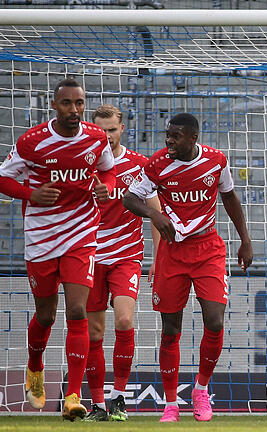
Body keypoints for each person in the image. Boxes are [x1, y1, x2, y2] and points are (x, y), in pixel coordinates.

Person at [123, 113, 252, 423]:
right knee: (171, 330)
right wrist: (155, 216)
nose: (169, 140)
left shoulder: (215, 162)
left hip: (208, 249)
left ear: (193, 138)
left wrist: (245, 240)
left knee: (215, 321)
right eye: (168, 135)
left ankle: (201, 390)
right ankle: (170, 404)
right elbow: (130, 198)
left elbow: (230, 198)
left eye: (176, 136)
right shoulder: (157, 165)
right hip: (172, 252)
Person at [0, 78, 116, 420]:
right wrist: (30, 194)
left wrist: (105, 189)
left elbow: (108, 172)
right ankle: (35, 366)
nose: (74, 110)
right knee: (47, 315)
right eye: (67, 103)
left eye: (79, 103)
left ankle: (73, 395)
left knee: (77, 311)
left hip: (81, 232)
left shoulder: (95, 137)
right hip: (41, 236)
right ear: (54, 105)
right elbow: (3, 177)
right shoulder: (33, 142)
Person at [82, 105, 161, 422]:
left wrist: (159, 256)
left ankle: (118, 399)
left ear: (122, 129)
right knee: (94, 333)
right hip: (88, 256)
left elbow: (154, 210)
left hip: (127, 255)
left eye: (112, 130)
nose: (106, 136)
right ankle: (98, 405)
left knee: (125, 321)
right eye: (101, 131)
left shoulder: (138, 165)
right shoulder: (85, 164)